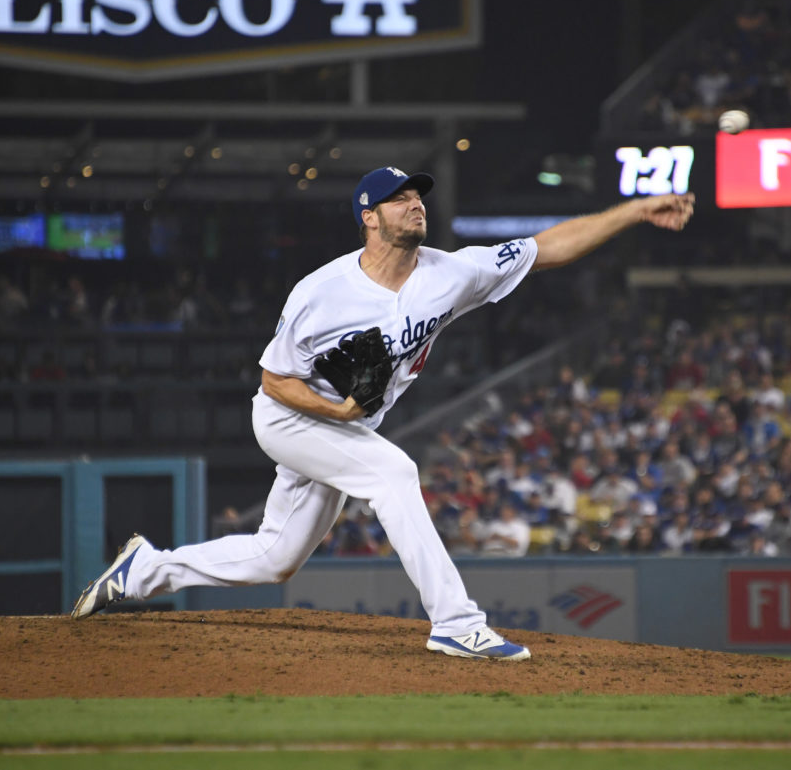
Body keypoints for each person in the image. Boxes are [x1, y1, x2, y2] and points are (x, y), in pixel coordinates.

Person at [70, 165, 694, 661]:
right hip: (289, 419)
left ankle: (145, 571)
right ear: (369, 217)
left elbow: (547, 248)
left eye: (418, 195)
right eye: (399, 198)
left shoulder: (453, 273)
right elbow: (273, 380)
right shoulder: (320, 292)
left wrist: (635, 210)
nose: (415, 203)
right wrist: (335, 411)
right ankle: (456, 624)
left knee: (275, 559)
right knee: (393, 474)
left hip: (344, 426)